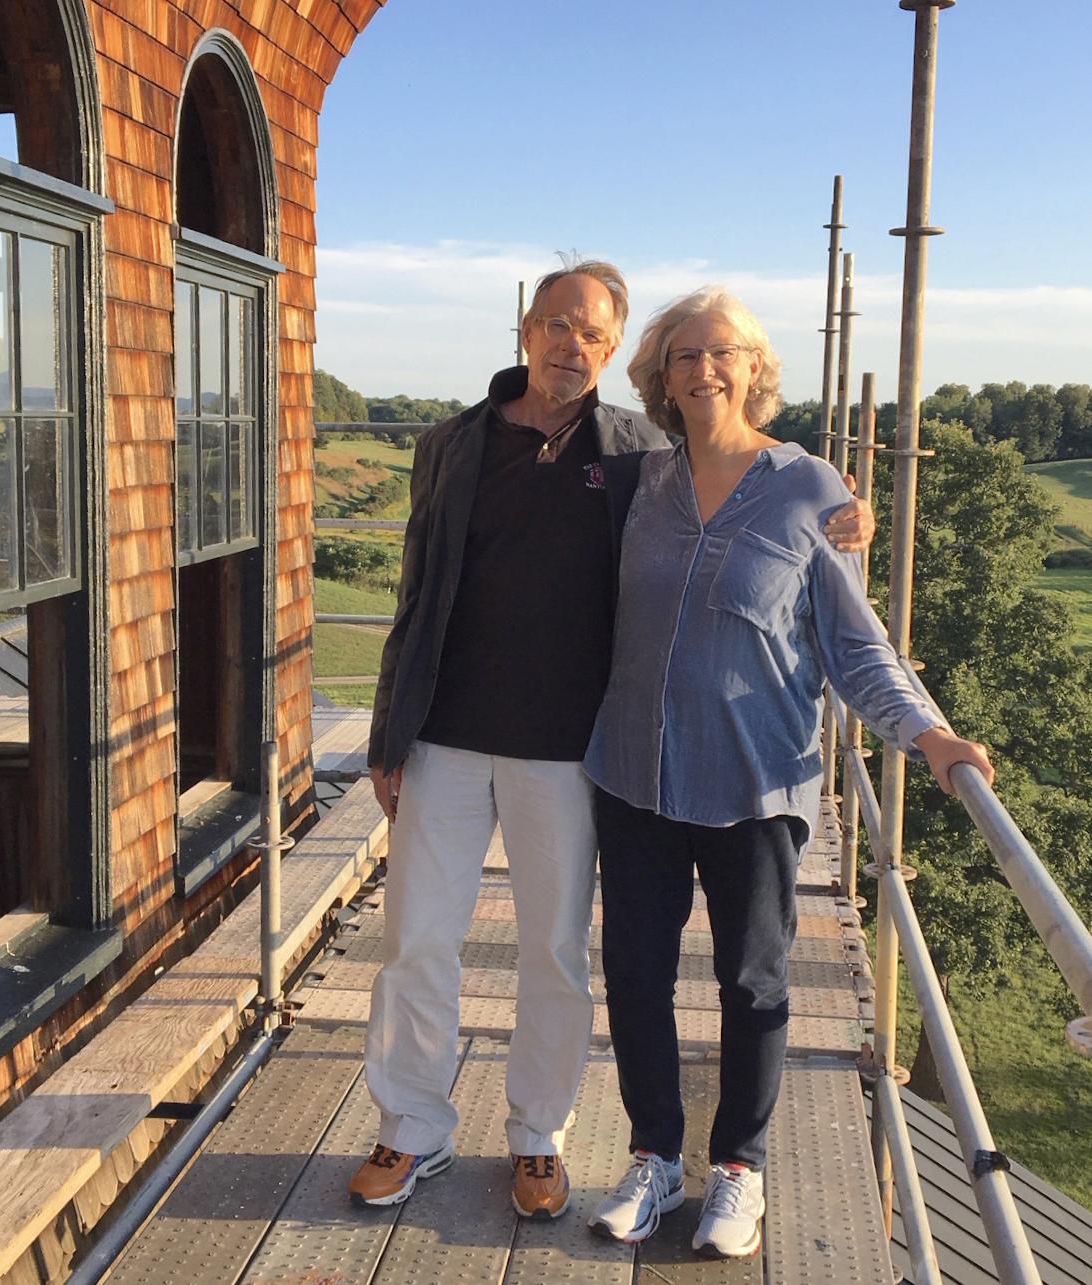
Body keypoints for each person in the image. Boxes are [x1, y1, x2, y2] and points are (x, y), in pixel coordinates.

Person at [346, 262, 874, 1220]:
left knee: (553, 949)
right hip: (445, 740)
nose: (566, 345)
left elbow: (749, 471)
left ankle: (537, 1136)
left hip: (569, 747)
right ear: (524, 330)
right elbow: (415, 596)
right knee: (416, 938)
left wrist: (841, 512)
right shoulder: (450, 444)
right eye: (552, 324)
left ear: (608, 346)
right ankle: (411, 1125)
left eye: (587, 333)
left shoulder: (638, 452)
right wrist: (390, 730)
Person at [581, 286, 994, 1258]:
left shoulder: (809, 488)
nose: (703, 370)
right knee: (634, 973)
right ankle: (650, 1154)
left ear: (753, 371)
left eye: (722, 353)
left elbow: (855, 650)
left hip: (757, 779)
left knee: (752, 980)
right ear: (660, 375)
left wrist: (926, 735)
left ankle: (737, 1169)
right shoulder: (639, 483)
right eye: (684, 355)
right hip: (632, 775)